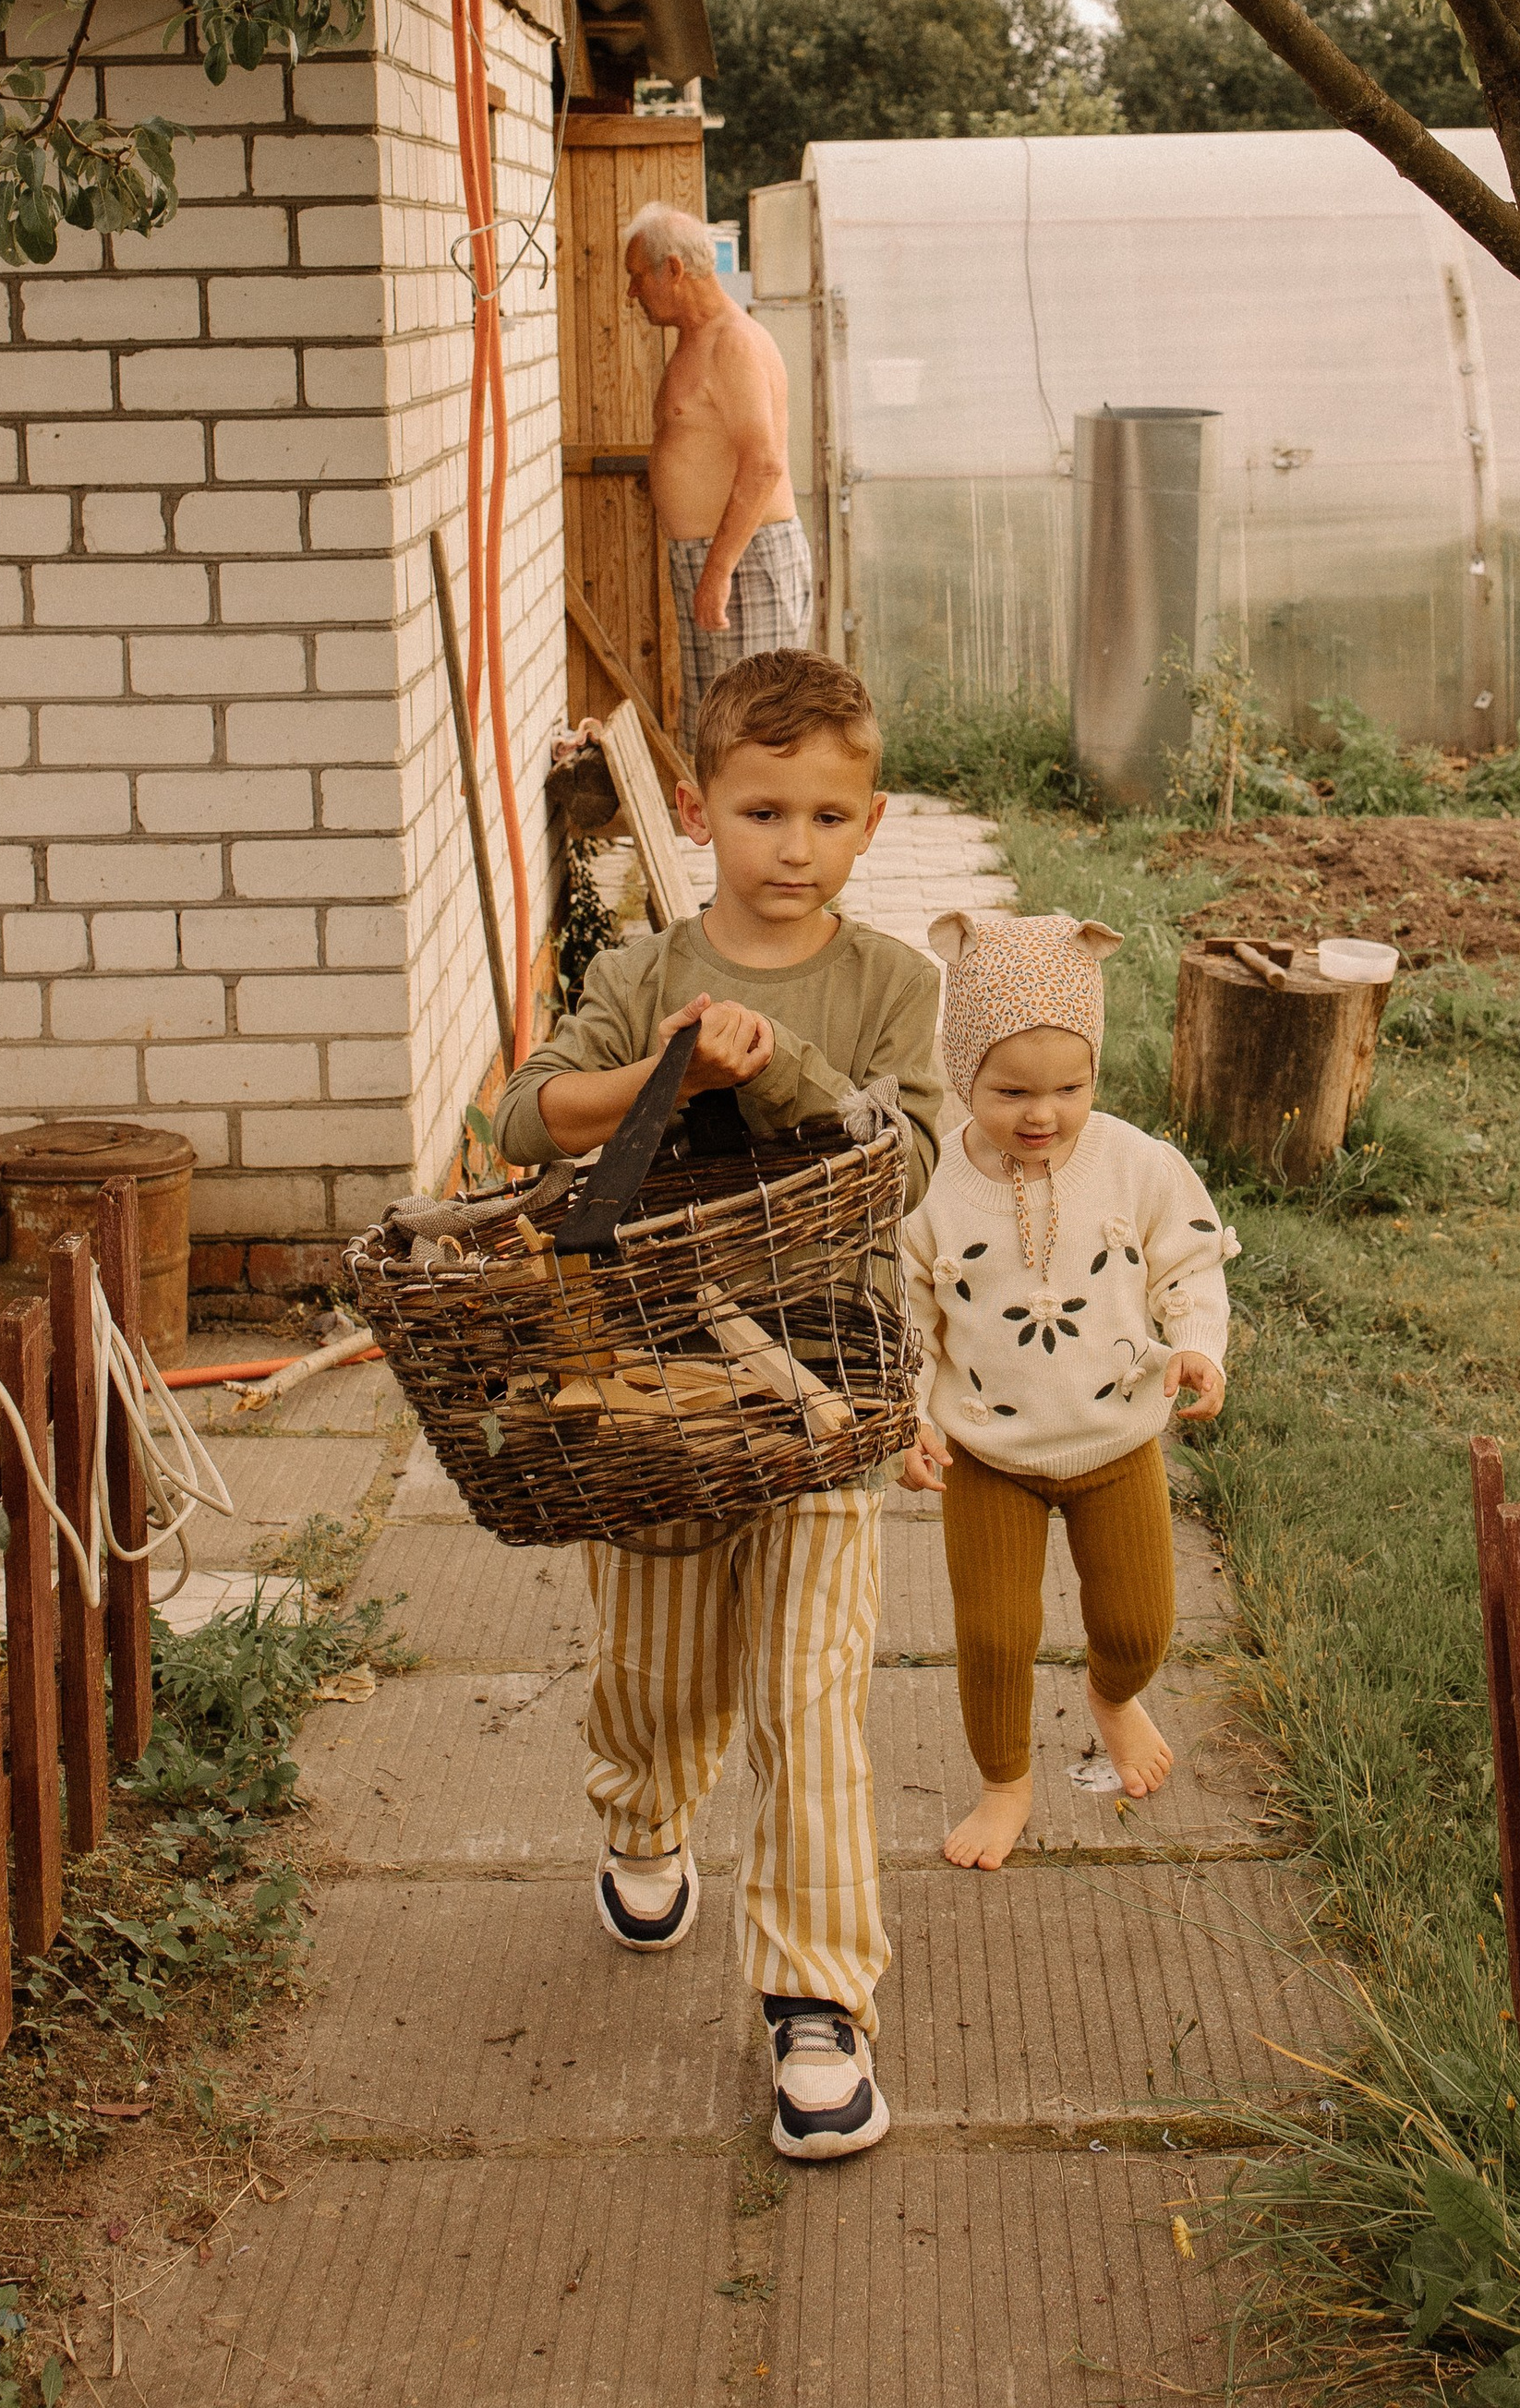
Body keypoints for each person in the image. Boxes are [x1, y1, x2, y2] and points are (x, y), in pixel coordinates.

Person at [492, 648, 941, 2162]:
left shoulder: (893, 987)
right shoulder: (643, 976)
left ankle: (818, 2005)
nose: (793, 847)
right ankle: (643, 1809)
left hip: (826, 1399)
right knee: (661, 1680)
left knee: (810, 1699)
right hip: (654, 1395)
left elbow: (905, 1162)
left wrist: (785, 1062)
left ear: (870, 821)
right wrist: (666, 1076)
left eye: (827, 816)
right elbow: (524, 1118)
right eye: (761, 813)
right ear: (697, 811)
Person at [897, 908, 1237, 1873]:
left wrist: (1196, 1347)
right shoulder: (931, 1188)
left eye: (1070, 1088)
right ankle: (1004, 1783)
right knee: (996, 1636)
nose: (1041, 1114)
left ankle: (1112, 1697)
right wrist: (908, 1417)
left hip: (1115, 1438)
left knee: (1138, 1625)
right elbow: (906, 1316)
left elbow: (1189, 1264)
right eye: (1009, 1091)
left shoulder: (1135, 1165)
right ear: (963, 1075)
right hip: (990, 1454)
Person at [623, 199, 815, 728]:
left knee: (756, 732)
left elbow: (764, 464)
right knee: (716, 733)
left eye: (638, 276)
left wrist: (718, 571)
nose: (632, 292)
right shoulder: (695, 341)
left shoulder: (733, 343)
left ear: (674, 269)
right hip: (715, 560)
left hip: (745, 563)